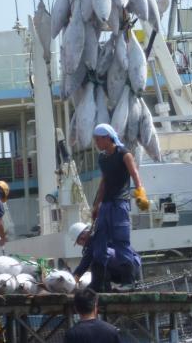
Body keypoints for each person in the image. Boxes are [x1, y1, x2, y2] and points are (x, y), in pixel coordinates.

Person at [90, 124, 149, 291]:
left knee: (121, 241)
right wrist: (96, 205)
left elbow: (135, 175)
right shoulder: (102, 158)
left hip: (119, 204)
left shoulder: (124, 154)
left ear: (107, 138)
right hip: (106, 205)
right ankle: (99, 282)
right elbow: (104, 182)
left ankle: (128, 281)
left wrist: (140, 194)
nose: (96, 142)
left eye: (98, 139)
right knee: (99, 240)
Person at [69, 222, 140, 292]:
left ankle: (126, 283)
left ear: (82, 236)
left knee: (100, 257)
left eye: (78, 242)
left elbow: (83, 265)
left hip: (130, 268)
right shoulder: (94, 242)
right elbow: (84, 264)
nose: (80, 245)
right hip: (126, 269)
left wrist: (71, 281)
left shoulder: (97, 239)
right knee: (99, 262)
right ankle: (106, 290)